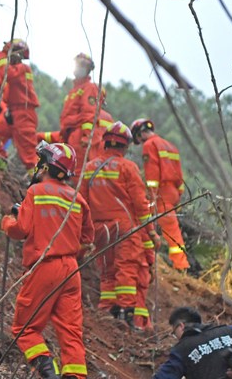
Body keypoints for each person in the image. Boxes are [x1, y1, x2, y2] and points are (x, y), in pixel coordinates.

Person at [2, 142, 94, 379]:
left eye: (40, 162)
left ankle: (47, 371)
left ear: (47, 166)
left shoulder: (36, 192)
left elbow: (21, 229)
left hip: (45, 267)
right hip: (72, 271)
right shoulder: (77, 198)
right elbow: (87, 238)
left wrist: (7, 222)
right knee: (71, 333)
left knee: (25, 328)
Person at [79, 121, 156, 326]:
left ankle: (107, 309)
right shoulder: (128, 168)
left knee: (107, 270)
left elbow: (82, 204)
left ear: (105, 142)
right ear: (126, 145)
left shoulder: (88, 168)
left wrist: (84, 236)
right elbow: (141, 205)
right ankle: (125, 313)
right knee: (126, 269)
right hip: (124, 228)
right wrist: (152, 233)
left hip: (99, 230)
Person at [131, 118, 191, 271]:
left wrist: (152, 195)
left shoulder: (150, 145)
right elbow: (179, 173)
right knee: (170, 227)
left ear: (140, 134)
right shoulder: (170, 146)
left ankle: (180, 265)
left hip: (161, 193)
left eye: (138, 138)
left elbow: (152, 174)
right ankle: (176, 262)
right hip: (173, 191)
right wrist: (178, 194)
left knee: (148, 223)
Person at [153, 307, 232, 379]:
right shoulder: (229, 331)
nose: (176, 337)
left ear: (181, 326)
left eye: (174, 333)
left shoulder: (182, 349)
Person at [0, 39, 40, 170]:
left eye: (8, 54)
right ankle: (1, 164)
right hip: (12, 113)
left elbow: (8, 73)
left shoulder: (23, 69)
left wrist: (0, 58)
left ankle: (39, 184)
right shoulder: (12, 73)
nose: (6, 57)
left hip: (24, 114)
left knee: (29, 158)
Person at [56, 54, 108, 160]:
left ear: (88, 69)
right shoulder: (73, 91)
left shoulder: (90, 87)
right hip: (69, 136)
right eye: (77, 64)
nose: (79, 68)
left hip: (80, 138)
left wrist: (87, 137)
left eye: (82, 65)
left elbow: (89, 114)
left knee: (78, 172)